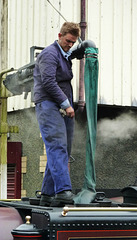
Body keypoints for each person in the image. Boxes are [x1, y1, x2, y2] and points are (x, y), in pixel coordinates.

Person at [33, 22, 81, 207]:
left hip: (61, 107)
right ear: (60, 35)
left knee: (64, 149)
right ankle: (63, 191)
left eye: (73, 42)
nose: (70, 45)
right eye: (68, 41)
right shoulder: (49, 54)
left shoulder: (65, 54)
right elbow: (48, 82)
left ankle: (47, 193)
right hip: (48, 104)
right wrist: (67, 104)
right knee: (57, 146)